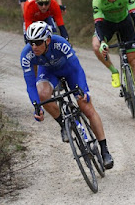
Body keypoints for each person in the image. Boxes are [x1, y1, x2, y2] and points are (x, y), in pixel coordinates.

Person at [20, 21, 114, 169]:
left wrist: (83, 90)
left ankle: (104, 150)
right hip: (49, 73)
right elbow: (30, 84)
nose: (34, 47)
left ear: (48, 40)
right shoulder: (27, 54)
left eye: (38, 42)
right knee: (42, 94)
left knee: (86, 107)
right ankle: (63, 124)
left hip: (69, 71)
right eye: (31, 42)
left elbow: (77, 68)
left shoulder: (60, 43)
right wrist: (36, 106)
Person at [92, 0, 135, 112]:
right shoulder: (97, 1)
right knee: (95, 46)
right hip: (107, 24)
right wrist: (103, 42)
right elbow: (98, 24)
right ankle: (114, 71)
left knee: (133, 61)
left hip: (125, 23)